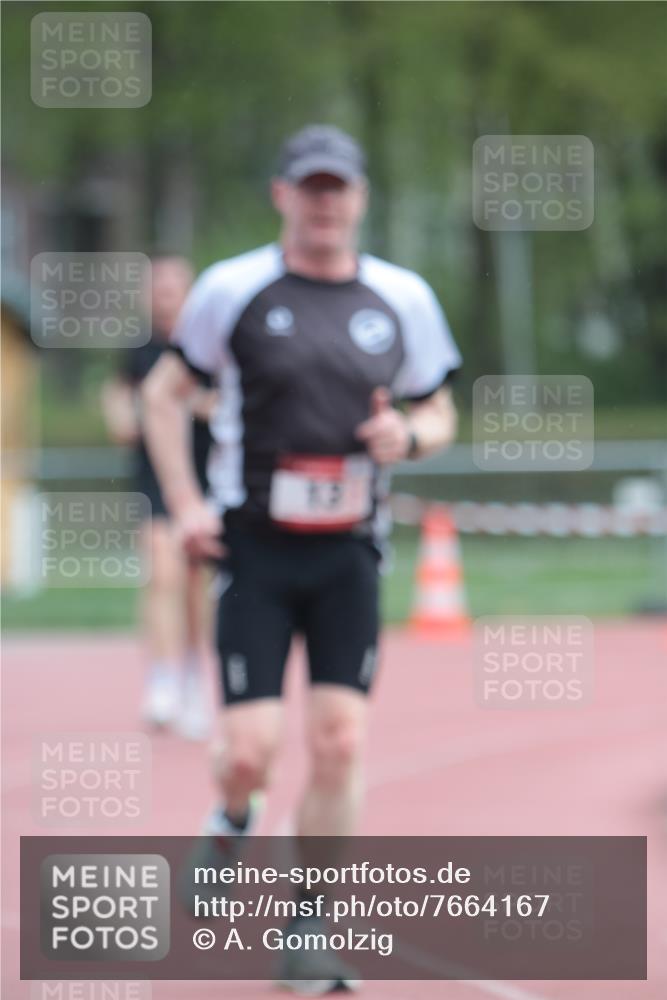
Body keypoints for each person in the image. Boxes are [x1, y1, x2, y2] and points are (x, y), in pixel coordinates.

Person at [142, 125, 462, 993]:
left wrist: (410, 434)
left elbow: (439, 410)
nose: (325, 203)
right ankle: (229, 816)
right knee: (249, 749)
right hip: (254, 548)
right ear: (283, 195)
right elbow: (163, 394)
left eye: (339, 188)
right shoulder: (232, 289)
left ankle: (309, 923)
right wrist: (183, 505)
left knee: (338, 739)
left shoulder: (402, 297)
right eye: (309, 187)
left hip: (350, 554)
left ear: (358, 198)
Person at [101, 255, 217, 740]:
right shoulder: (140, 349)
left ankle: (196, 678)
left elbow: (222, 404)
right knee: (161, 571)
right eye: (157, 287)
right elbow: (118, 392)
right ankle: (162, 679)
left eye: (173, 287)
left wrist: (177, 401)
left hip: (207, 478)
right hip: (156, 480)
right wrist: (123, 415)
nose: (164, 295)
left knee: (197, 583)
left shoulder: (208, 347)